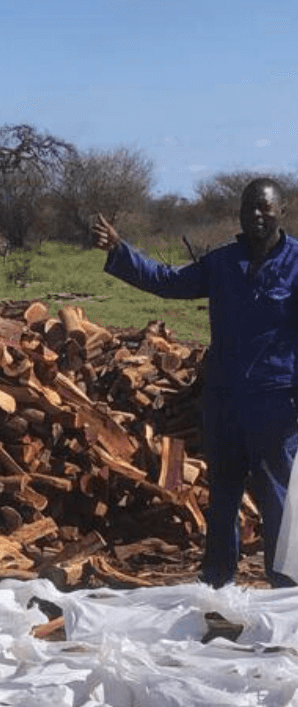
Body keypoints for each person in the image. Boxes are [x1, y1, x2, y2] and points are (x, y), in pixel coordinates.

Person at [93, 178, 298, 588]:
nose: (256, 215)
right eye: (248, 208)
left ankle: (285, 593)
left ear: (282, 212)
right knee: (222, 495)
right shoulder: (223, 262)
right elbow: (169, 282)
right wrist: (121, 251)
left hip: (276, 402)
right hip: (224, 400)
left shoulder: (295, 266)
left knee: (278, 499)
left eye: (265, 208)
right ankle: (217, 588)